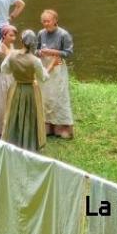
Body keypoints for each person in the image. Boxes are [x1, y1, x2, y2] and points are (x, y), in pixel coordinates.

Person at [0, 30, 56, 152]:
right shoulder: (35, 60)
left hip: (16, 88)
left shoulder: (12, 55)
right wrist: (51, 66)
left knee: (14, 114)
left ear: (22, 41)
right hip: (30, 89)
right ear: (34, 43)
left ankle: (13, 140)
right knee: (30, 115)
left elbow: (5, 70)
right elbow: (44, 78)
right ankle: (28, 142)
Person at [37, 9, 75, 140]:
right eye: (44, 21)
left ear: (55, 21)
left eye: (48, 21)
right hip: (44, 66)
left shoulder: (64, 34)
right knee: (46, 97)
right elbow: (36, 50)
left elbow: (68, 53)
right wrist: (40, 52)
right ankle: (47, 127)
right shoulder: (41, 33)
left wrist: (53, 51)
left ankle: (62, 129)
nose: (45, 24)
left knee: (58, 97)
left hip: (57, 67)